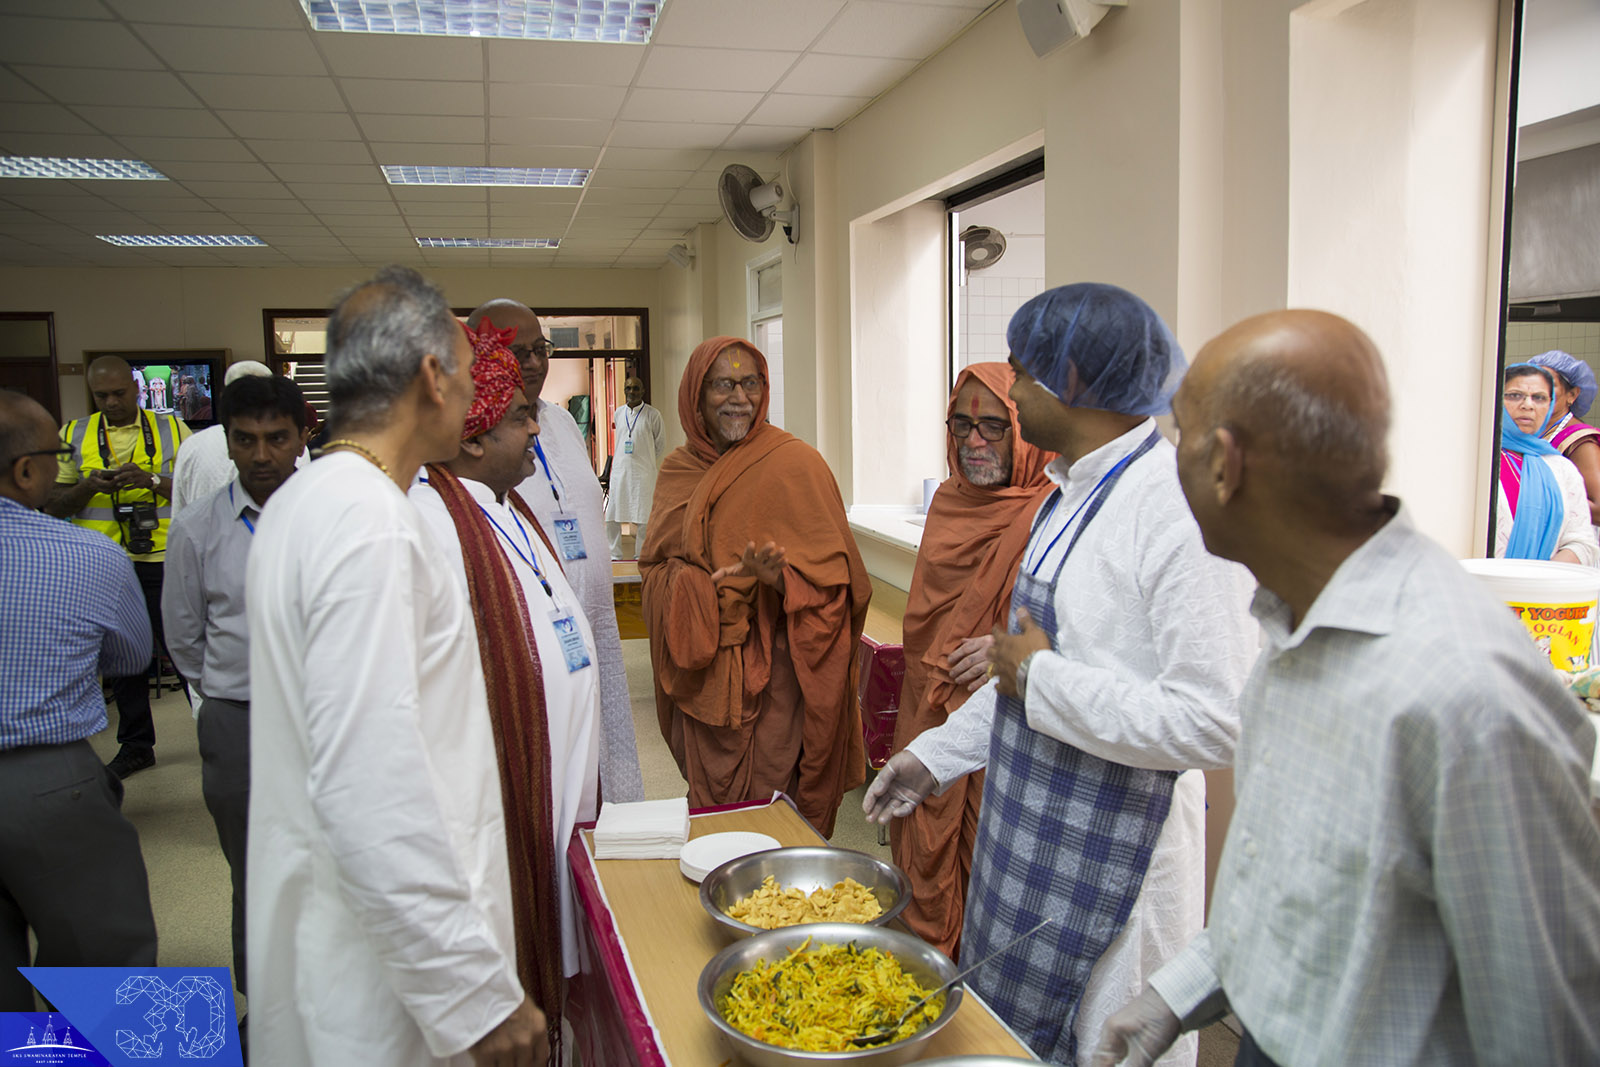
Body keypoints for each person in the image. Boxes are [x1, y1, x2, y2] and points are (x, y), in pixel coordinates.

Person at [1093, 309, 1600, 1067]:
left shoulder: (1464, 695)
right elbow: (1300, 880)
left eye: (1179, 438)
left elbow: (1545, 1033)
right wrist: (1179, 990)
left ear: (1226, 464)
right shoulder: (1295, 626)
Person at [863, 285, 1257, 1066]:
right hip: (1029, 829)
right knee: (1008, 1041)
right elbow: (1020, 671)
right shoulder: (1067, 494)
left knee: (1103, 1046)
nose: (1010, 392)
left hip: (1120, 854)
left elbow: (1218, 717)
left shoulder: (1175, 509)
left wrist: (1045, 681)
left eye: (1021, 373)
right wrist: (933, 757)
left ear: (1073, 380)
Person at [246, 266, 545, 1066]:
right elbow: (367, 779)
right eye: (465, 363)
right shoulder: (369, 522)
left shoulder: (309, 501)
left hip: (347, 921)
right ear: (431, 377)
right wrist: (473, 994)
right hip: (385, 973)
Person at [409, 323, 601, 1061]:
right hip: (501, 800)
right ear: (473, 438)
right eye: (521, 416)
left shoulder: (502, 503)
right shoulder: (435, 519)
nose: (536, 426)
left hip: (555, 790)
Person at [641, 336, 872, 838]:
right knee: (716, 825)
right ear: (696, 396)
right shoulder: (678, 471)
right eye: (723, 385)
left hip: (778, 684)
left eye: (751, 383)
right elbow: (653, 570)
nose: (739, 397)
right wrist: (695, 588)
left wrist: (780, 579)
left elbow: (841, 588)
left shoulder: (796, 465)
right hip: (705, 673)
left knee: (774, 820)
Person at [889, 361, 1056, 959]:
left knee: (990, 874)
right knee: (922, 857)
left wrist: (1004, 647)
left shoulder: (1054, 512)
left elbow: (1082, 637)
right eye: (961, 425)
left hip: (1005, 728)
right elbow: (925, 629)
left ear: (1024, 435)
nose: (974, 441)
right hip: (929, 710)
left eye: (992, 427)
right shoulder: (948, 505)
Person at [0, 389, 159, 1010]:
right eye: (56, 455)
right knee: (107, 965)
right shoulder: (87, 553)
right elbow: (130, 661)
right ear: (25, 471)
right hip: (46, 783)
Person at [161, 373, 308, 1003]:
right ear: (225, 444)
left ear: (304, 438)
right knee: (255, 870)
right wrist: (236, 689)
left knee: (337, 860)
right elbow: (184, 637)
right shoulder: (197, 529)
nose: (261, 454)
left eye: (277, 438)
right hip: (238, 720)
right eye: (245, 440)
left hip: (326, 718)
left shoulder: (335, 518)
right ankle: (266, 1002)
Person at [468, 298, 644, 804]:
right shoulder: (476, 438)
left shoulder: (561, 423)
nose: (532, 362)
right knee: (553, 774)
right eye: (514, 350)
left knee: (607, 747)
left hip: (595, 623)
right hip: (533, 636)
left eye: (538, 349)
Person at [46, 354, 193, 778]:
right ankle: (135, 745)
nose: (110, 402)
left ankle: (210, 731)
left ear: (136, 388)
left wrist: (148, 480)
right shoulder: (73, 433)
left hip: (163, 559)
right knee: (123, 660)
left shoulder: (172, 428)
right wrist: (88, 486)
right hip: (104, 563)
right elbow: (53, 506)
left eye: (118, 393)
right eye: (101, 395)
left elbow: (192, 492)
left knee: (183, 649)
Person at [1495, 362, 1597, 564]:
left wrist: (1535, 582)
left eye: (1539, 398)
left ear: (1550, 405)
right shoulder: (1478, 460)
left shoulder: (1561, 468)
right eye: (1515, 395)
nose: (1528, 405)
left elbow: (1582, 543)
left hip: (1539, 592)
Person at [170, 360, 284, 517]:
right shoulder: (287, 444)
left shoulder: (192, 445)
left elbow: (179, 515)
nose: (261, 456)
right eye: (243, 440)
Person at [1531, 349, 1600, 526]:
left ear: (1572, 394)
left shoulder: (1580, 441)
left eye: (1549, 384)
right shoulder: (1531, 432)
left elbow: (1599, 510)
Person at [603, 376, 664, 559]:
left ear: (643, 391)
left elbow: (659, 444)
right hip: (621, 471)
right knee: (611, 515)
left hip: (643, 473)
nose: (631, 392)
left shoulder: (653, 415)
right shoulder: (618, 413)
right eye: (628, 388)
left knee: (644, 515)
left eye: (636, 388)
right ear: (624, 390)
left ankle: (641, 554)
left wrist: (646, 461)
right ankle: (614, 554)